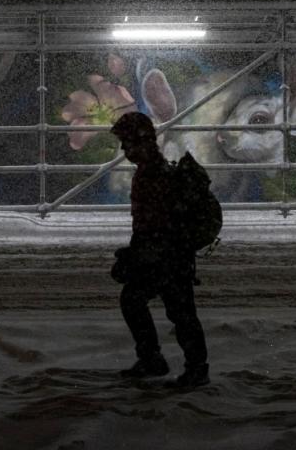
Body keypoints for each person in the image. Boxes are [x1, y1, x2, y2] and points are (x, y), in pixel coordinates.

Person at [110, 111, 209, 388]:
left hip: (165, 258)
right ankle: (186, 365)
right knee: (174, 310)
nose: (124, 150)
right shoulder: (153, 171)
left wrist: (136, 254)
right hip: (169, 257)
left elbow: (154, 223)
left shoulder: (153, 176)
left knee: (174, 311)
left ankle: (183, 366)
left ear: (141, 142)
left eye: (127, 143)